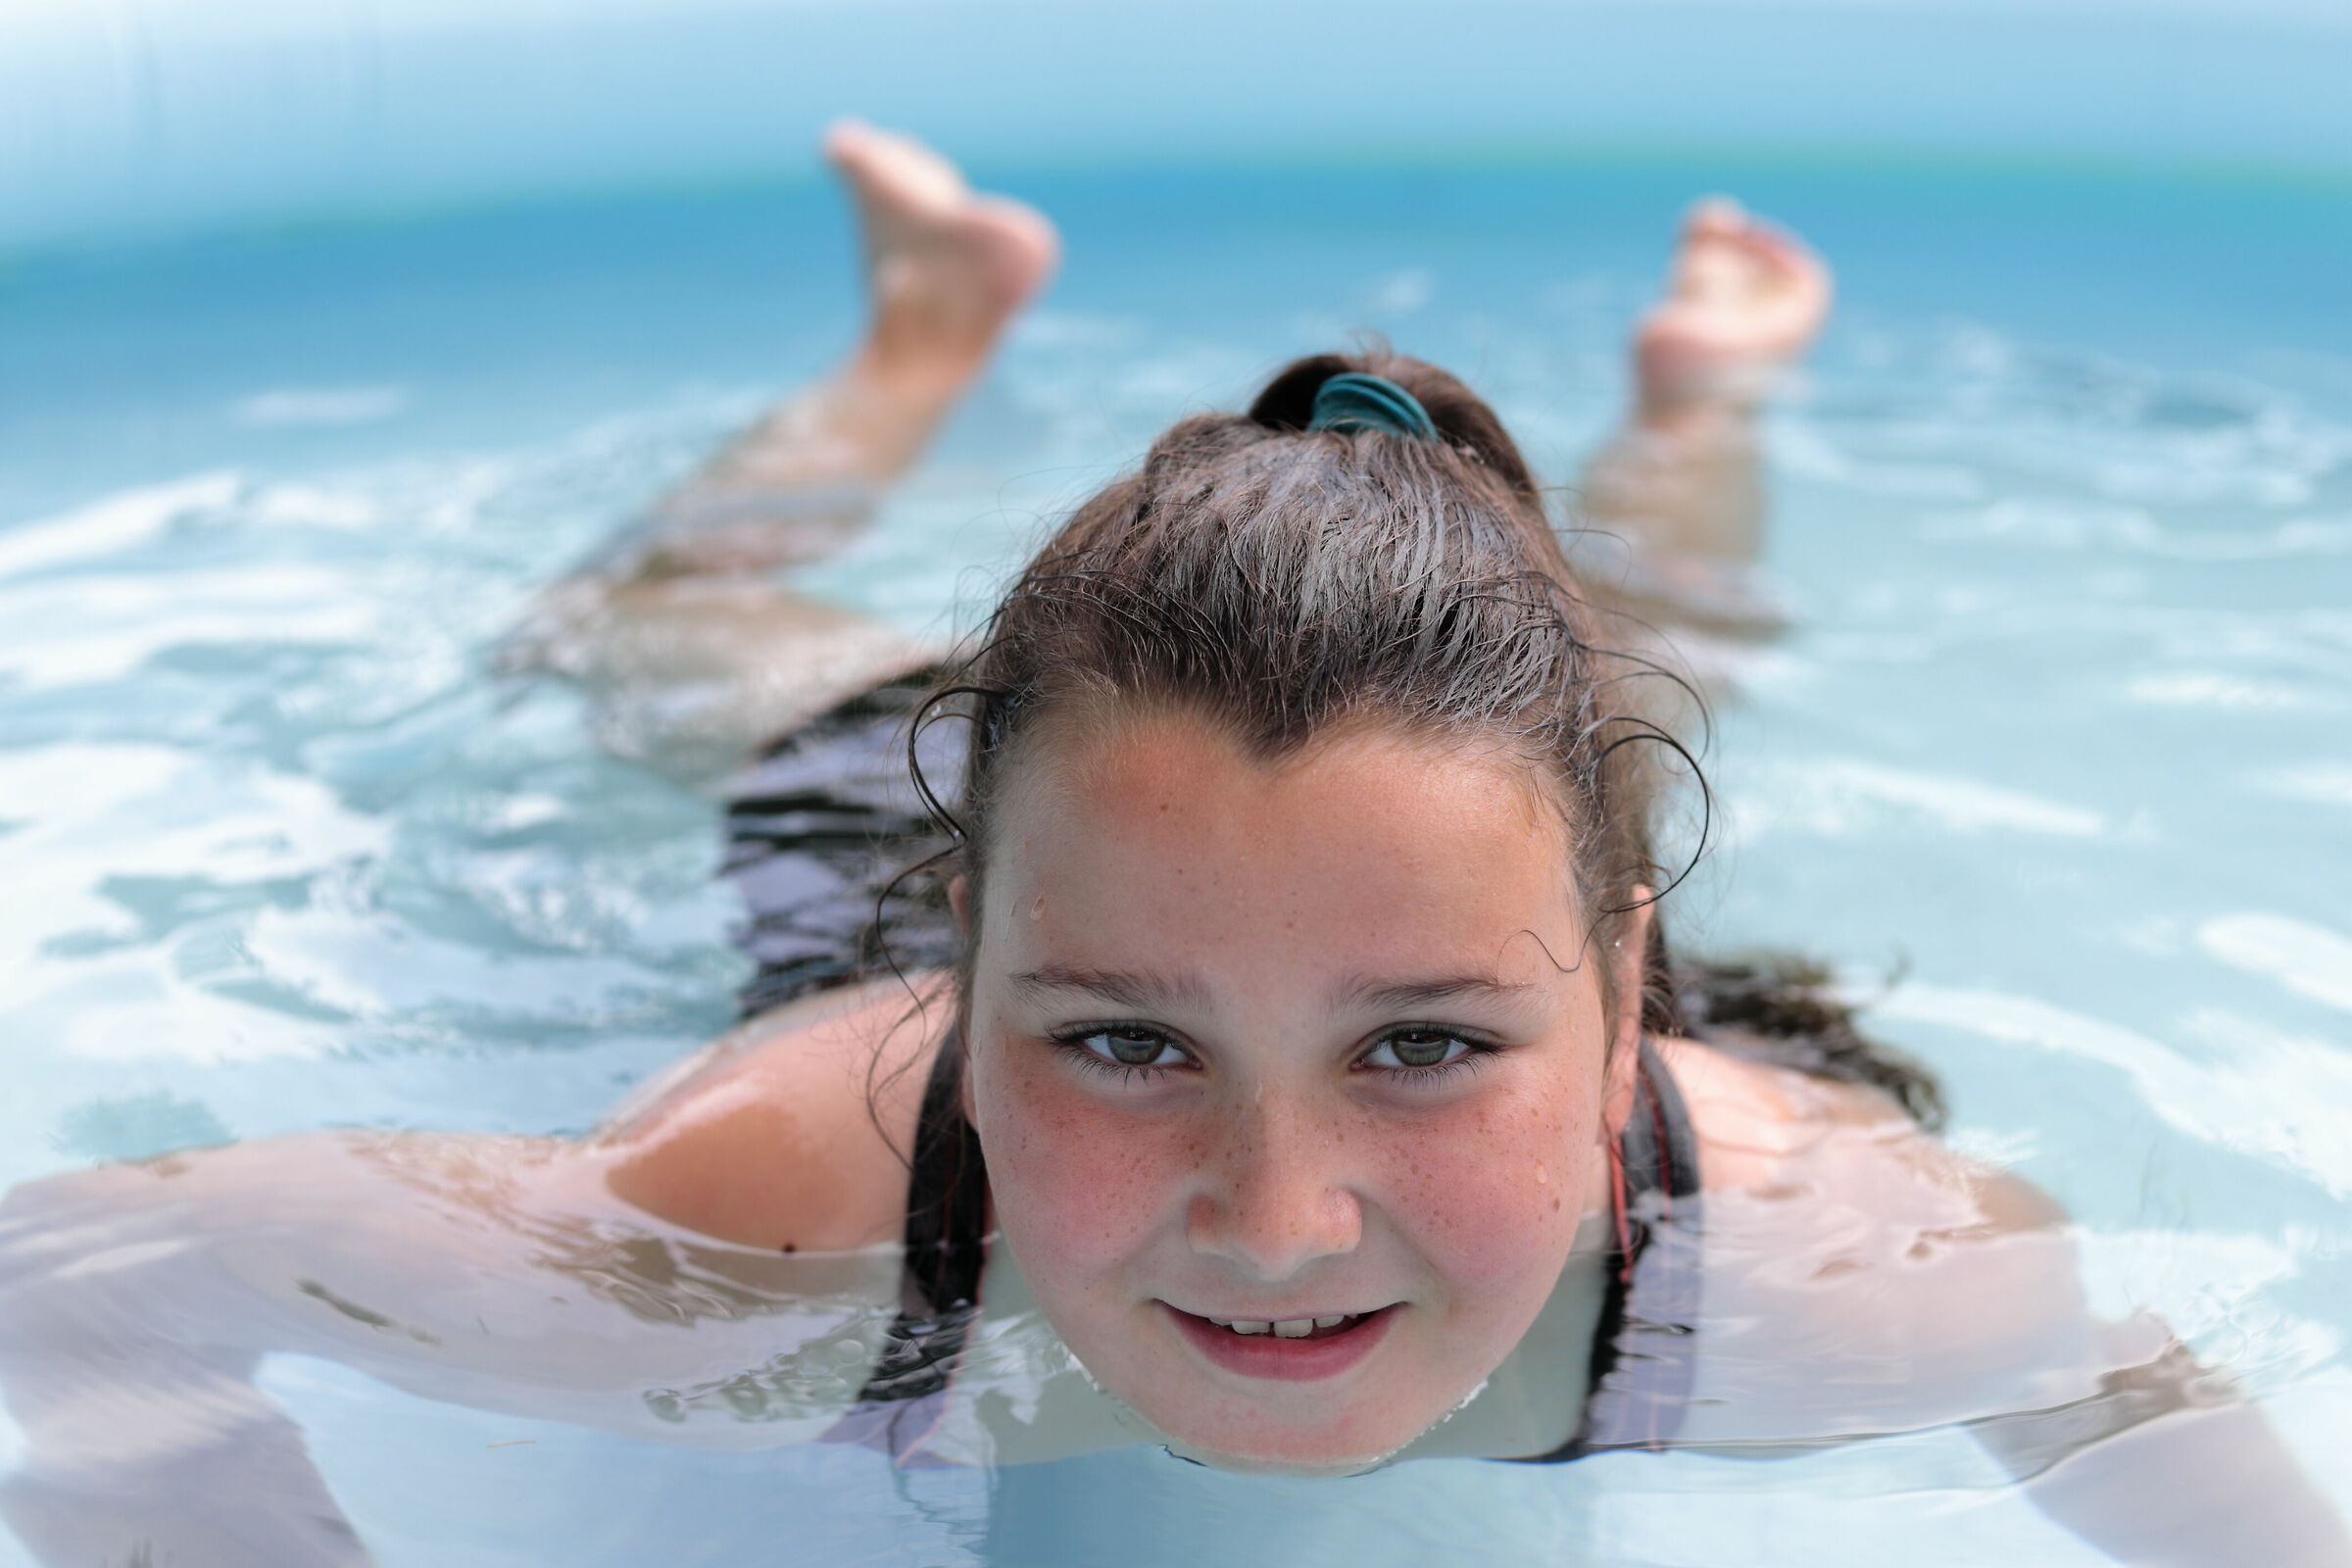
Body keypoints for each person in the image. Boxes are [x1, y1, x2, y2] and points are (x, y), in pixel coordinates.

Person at [0, 122, 2343, 1567]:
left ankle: (1701, 409)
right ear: (972, 957)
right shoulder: (771, 1217)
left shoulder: (1864, 1263)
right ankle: (925, 333)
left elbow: (2136, 1399)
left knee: (1664, 644)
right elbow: (78, 1274)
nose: (1279, 1213)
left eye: (1421, 1047)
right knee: (632, 632)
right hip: (898, 837)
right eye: (1121, 1038)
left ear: (1633, 985)